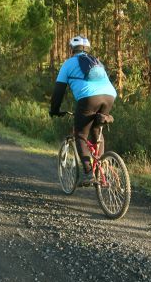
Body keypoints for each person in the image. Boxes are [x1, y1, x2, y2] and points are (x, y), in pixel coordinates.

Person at [49, 36, 117, 183]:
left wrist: (54, 109)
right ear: (87, 49)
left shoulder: (68, 63)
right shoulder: (97, 62)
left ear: (72, 50)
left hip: (88, 98)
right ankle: (101, 168)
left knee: (80, 134)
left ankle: (88, 173)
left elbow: (58, 91)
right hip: (110, 96)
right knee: (96, 130)